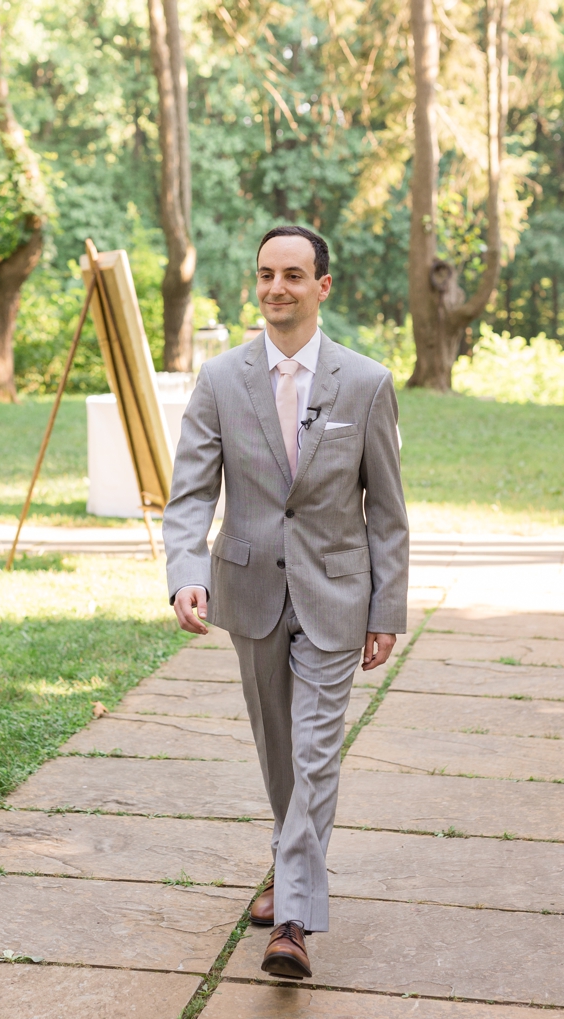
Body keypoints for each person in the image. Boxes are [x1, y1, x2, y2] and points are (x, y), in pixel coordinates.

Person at [164, 225, 409, 979]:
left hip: (337, 593)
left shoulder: (365, 382)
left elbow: (388, 511)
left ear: (322, 286)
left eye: (294, 275)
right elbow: (191, 492)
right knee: (279, 751)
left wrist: (385, 608)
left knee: (314, 751)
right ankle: (288, 858)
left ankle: (295, 919)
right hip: (250, 589)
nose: (278, 288)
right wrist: (185, 571)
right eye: (267, 274)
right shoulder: (219, 379)